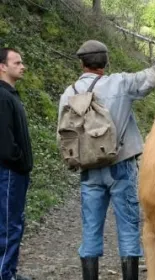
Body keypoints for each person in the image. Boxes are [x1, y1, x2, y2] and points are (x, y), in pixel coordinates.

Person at [58, 30, 155, 280]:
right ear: (106, 63)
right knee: (127, 229)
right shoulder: (121, 83)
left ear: (81, 63)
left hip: (88, 170)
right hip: (121, 166)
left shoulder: (68, 94)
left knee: (90, 230)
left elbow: (62, 135)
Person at [0, 48, 33, 280]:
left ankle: (9, 270)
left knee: (13, 222)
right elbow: (4, 140)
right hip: (9, 172)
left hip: (14, 172)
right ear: (2, 66)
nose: (22, 66)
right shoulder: (2, 97)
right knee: (9, 225)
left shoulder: (10, 94)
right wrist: (19, 161)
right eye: (17, 62)